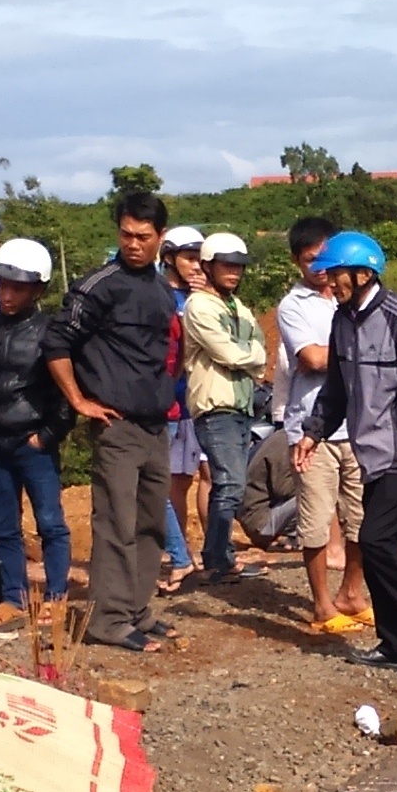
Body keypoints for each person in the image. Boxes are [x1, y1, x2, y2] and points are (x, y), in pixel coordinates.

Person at [295, 230, 397, 674]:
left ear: (364, 272)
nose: (330, 283)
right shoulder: (342, 320)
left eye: (337, 274)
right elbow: (336, 391)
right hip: (369, 453)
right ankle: (394, 645)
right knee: (390, 545)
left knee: (375, 541)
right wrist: (313, 432)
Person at [41, 190, 178, 654]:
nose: (133, 244)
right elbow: (55, 342)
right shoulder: (98, 285)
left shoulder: (161, 289)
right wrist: (79, 400)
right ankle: (108, 619)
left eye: (143, 236)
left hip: (156, 424)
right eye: (125, 234)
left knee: (150, 524)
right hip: (116, 425)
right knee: (115, 522)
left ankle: (138, 610)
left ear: (161, 237)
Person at [0, 238, 75, 624]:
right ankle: (14, 599)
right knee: (2, 527)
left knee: (51, 523)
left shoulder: (50, 333)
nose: (7, 294)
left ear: (38, 289)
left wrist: (46, 436)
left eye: (18, 287)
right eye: (3, 284)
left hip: (34, 445)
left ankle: (56, 597)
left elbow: (65, 392)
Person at [276, 217, 372, 631]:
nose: (319, 267)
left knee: (361, 518)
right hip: (312, 431)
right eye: (310, 259)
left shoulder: (352, 299)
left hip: (359, 426)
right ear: (297, 263)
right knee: (315, 521)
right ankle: (321, 605)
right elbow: (312, 359)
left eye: (325, 258)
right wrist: (359, 352)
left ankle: (351, 592)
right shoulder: (292, 306)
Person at [184, 232, 269, 585]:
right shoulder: (200, 306)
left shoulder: (236, 307)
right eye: (226, 265)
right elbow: (231, 354)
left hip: (239, 406)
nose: (234, 272)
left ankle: (220, 557)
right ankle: (217, 559)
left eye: (238, 266)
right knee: (230, 483)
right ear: (208, 266)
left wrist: (250, 354)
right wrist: (253, 355)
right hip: (215, 406)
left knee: (229, 483)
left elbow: (259, 342)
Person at [159, 224, 207, 592]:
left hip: (195, 403)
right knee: (163, 483)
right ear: (170, 258)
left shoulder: (202, 298)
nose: (197, 266)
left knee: (190, 480)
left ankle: (194, 554)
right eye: (190, 258)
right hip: (168, 404)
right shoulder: (160, 298)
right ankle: (179, 555)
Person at [238, 432, 301, 550]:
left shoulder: (279, 437)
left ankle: (289, 537)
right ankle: (292, 537)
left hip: (256, 516)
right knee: (315, 493)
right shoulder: (285, 443)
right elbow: (283, 490)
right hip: (260, 521)